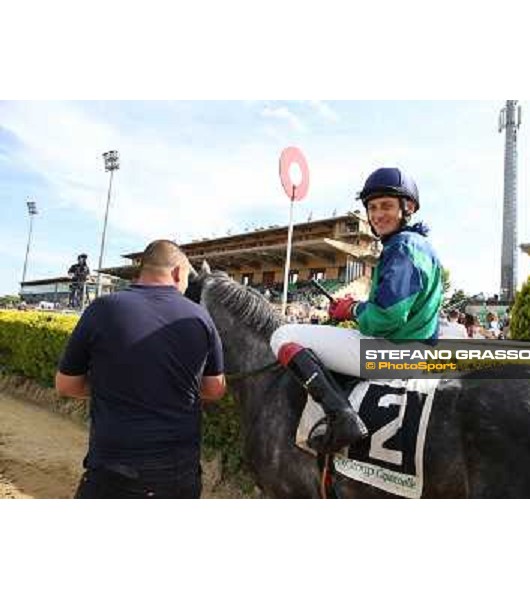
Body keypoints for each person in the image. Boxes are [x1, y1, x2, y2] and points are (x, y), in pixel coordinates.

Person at [269, 166, 443, 454]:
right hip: (417, 352)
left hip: (394, 356)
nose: (377, 215)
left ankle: (342, 418)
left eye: (386, 206)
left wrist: (351, 310)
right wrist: (356, 308)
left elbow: (386, 316)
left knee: (283, 335)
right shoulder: (421, 245)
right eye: (372, 207)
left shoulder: (402, 247)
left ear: (408, 207)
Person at [55, 240, 227, 499]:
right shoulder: (200, 318)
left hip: (111, 471)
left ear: (142, 269)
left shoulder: (101, 310)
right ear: (178, 272)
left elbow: (66, 384)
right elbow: (215, 389)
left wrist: (113, 387)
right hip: (178, 474)